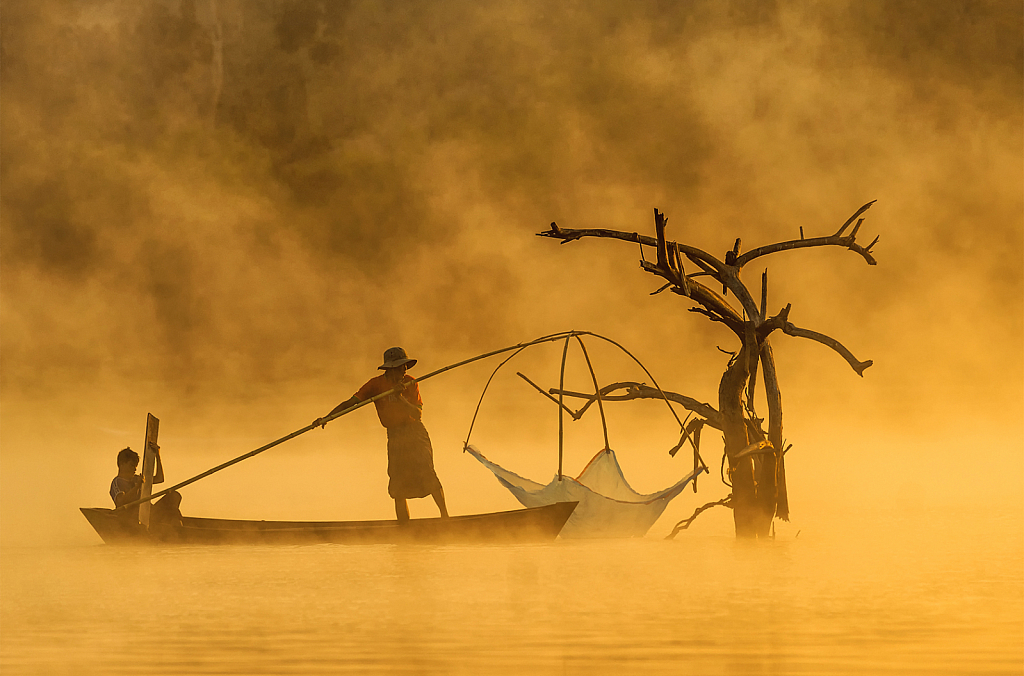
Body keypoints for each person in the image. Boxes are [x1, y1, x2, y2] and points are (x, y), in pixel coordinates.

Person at [313, 347, 448, 522]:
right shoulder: (375, 385)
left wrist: (400, 397)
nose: (404, 370)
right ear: (390, 369)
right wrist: (327, 417)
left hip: (415, 432)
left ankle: (445, 518)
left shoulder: (411, 382)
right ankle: (403, 527)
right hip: (394, 435)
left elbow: (417, 414)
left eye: (405, 366)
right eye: (400, 367)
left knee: (427, 473)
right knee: (397, 481)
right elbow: (350, 403)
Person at [110, 446, 182, 532]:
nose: (135, 468)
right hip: (132, 518)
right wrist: (138, 486)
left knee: (174, 496)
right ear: (122, 464)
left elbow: (159, 478)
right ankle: (170, 528)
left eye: (136, 466)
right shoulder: (117, 482)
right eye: (132, 465)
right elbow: (121, 501)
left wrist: (157, 456)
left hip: (149, 513)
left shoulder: (137, 479)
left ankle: (176, 526)